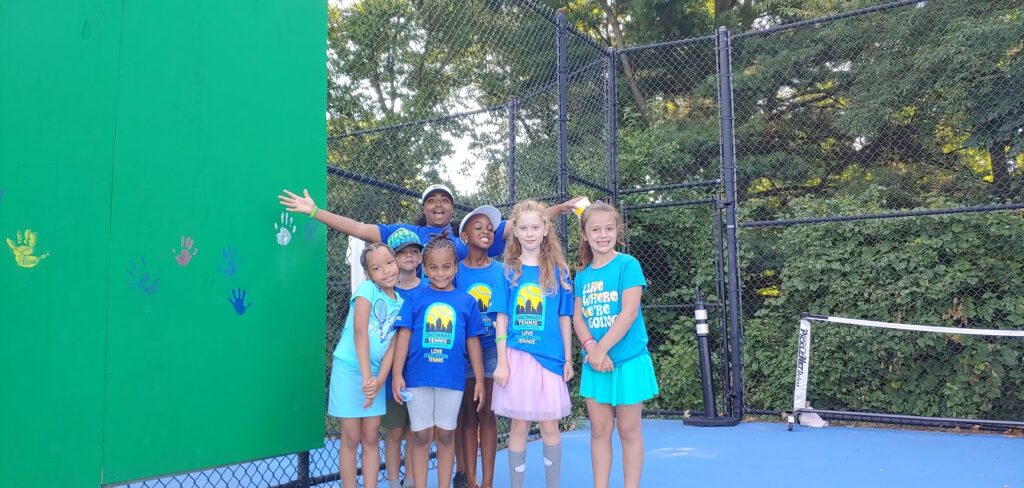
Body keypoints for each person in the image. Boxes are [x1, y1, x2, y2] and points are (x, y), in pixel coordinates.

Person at [572, 201, 659, 488]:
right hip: (596, 364)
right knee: (599, 430)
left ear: (617, 230)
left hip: (628, 361)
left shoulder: (627, 265)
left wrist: (601, 349)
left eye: (609, 228)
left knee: (628, 430)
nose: (603, 235)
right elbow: (578, 318)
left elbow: (629, 312)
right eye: (596, 229)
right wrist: (591, 347)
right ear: (585, 234)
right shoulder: (582, 274)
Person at [391, 231, 486, 488]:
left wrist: (479, 379)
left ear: (455, 267)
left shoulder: (466, 301)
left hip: (451, 378)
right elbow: (403, 336)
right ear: (424, 268)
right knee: (421, 435)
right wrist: (397, 373)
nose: (440, 273)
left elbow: (473, 342)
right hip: (417, 377)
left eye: (446, 267)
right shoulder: (414, 298)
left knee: (445, 434)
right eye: (433, 267)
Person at [491, 200, 574, 488]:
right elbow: (501, 319)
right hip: (517, 358)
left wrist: (568, 359)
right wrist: (502, 362)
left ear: (545, 229)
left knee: (550, 425)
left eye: (535, 227)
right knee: (519, 426)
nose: (529, 233)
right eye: (524, 228)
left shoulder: (559, 270)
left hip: (549, 359)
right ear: (515, 232)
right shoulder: (507, 271)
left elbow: (564, 317)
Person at [277, 184, 583, 260]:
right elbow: (357, 228)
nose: (439, 204)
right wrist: (315, 212)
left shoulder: (470, 235)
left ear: (452, 208)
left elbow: (524, 223)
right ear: (424, 208)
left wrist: (560, 208)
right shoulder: (406, 233)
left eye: (445, 200)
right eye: (432, 200)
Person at [328, 243, 403, 488]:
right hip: (351, 370)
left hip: (374, 377)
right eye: (377, 268)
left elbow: (391, 347)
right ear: (368, 274)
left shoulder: (401, 302)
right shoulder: (366, 289)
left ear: (396, 262)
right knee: (351, 436)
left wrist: (378, 381)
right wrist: (366, 377)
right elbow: (360, 331)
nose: (386, 271)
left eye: (389, 263)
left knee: (371, 436)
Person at [453, 206, 504, 488]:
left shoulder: (502, 271)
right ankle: (470, 481)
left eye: (490, 228)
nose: (486, 231)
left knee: (488, 415)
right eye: (478, 227)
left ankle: (487, 483)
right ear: (464, 236)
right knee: (468, 416)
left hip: (493, 350)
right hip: (463, 353)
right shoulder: (455, 272)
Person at [381, 229, 427, 488]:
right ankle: (392, 482)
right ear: (393, 259)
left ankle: (410, 481)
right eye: (401, 252)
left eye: (413, 251)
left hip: (421, 372)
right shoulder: (383, 293)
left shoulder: (430, 290)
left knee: (415, 430)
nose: (409, 256)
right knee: (395, 430)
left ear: (420, 257)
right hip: (391, 373)